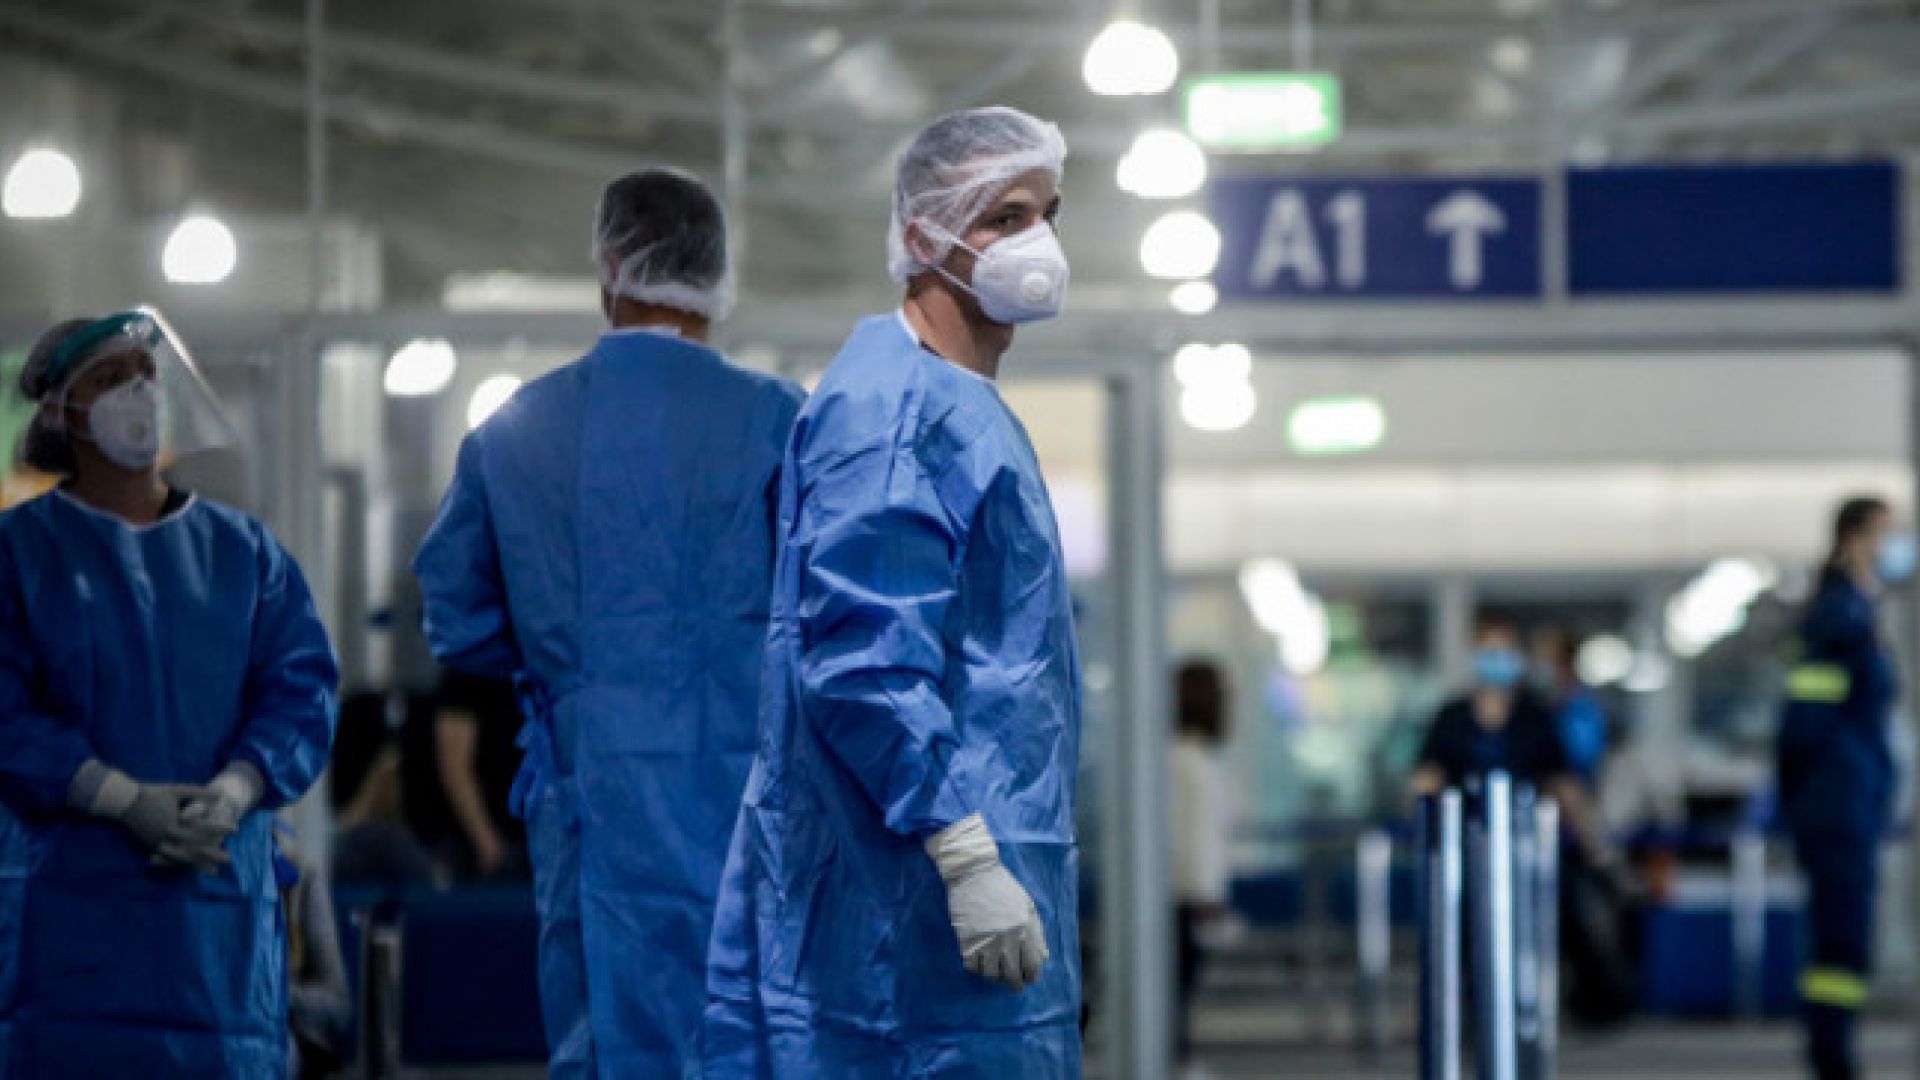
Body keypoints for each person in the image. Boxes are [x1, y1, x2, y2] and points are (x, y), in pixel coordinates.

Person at [703, 105, 1081, 1078]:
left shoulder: (957, 405)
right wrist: (963, 852)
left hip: (951, 911)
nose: (1037, 242)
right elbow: (866, 665)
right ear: (923, 240)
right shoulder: (893, 411)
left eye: (1046, 214)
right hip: (904, 928)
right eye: (1005, 217)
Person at [413, 167, 803, 1077]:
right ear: (718, 274)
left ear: (610, 267)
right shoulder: (781, 420)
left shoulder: (516, 430)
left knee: (610, 1041)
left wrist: (570, 660)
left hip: (595, 810)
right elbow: (829, 618)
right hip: (751, 809)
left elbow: (458, 620)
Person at [0, 309, 337, 1075]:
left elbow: (301, 690)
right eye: (111, 379)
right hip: (68, 944)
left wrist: (236, 787)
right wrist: (115, 796)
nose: (139, 392)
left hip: (215, 947)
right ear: (63, 412)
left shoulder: (246, 555)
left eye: (146, 376)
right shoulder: (20, 555)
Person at [1776, 496, 1909, 1080]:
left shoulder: (1859, 612)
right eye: (1889, 532)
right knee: (1840, 937)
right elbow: (1806, 722)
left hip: (1849, 799)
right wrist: (1813, 798)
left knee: (1845, 936)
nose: (1899, 545)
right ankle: (1831, 1056)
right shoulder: (1838, 616)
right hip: (1836, 803)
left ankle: (1833, 1050)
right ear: (1856, 538)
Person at [1170, 660, 1237, 1077]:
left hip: (1186, 894)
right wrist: (1205, 894)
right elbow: (1190, 836)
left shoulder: (1191, 758)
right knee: (1176, 990)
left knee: (1179, 991)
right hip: (1183, 897)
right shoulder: (1186, 762)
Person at [429, 669, 527, 881]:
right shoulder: (469, 668)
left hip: (536, 836)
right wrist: (485, 840)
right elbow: (453, 764)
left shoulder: (541, 669)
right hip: (484, 845)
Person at [1533, 627, 1609, 791]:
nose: (1542, 666)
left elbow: (1585, 757)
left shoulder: (1582, 709)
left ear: (1565, 662)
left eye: (1548, 660)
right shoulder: (1537, 706)